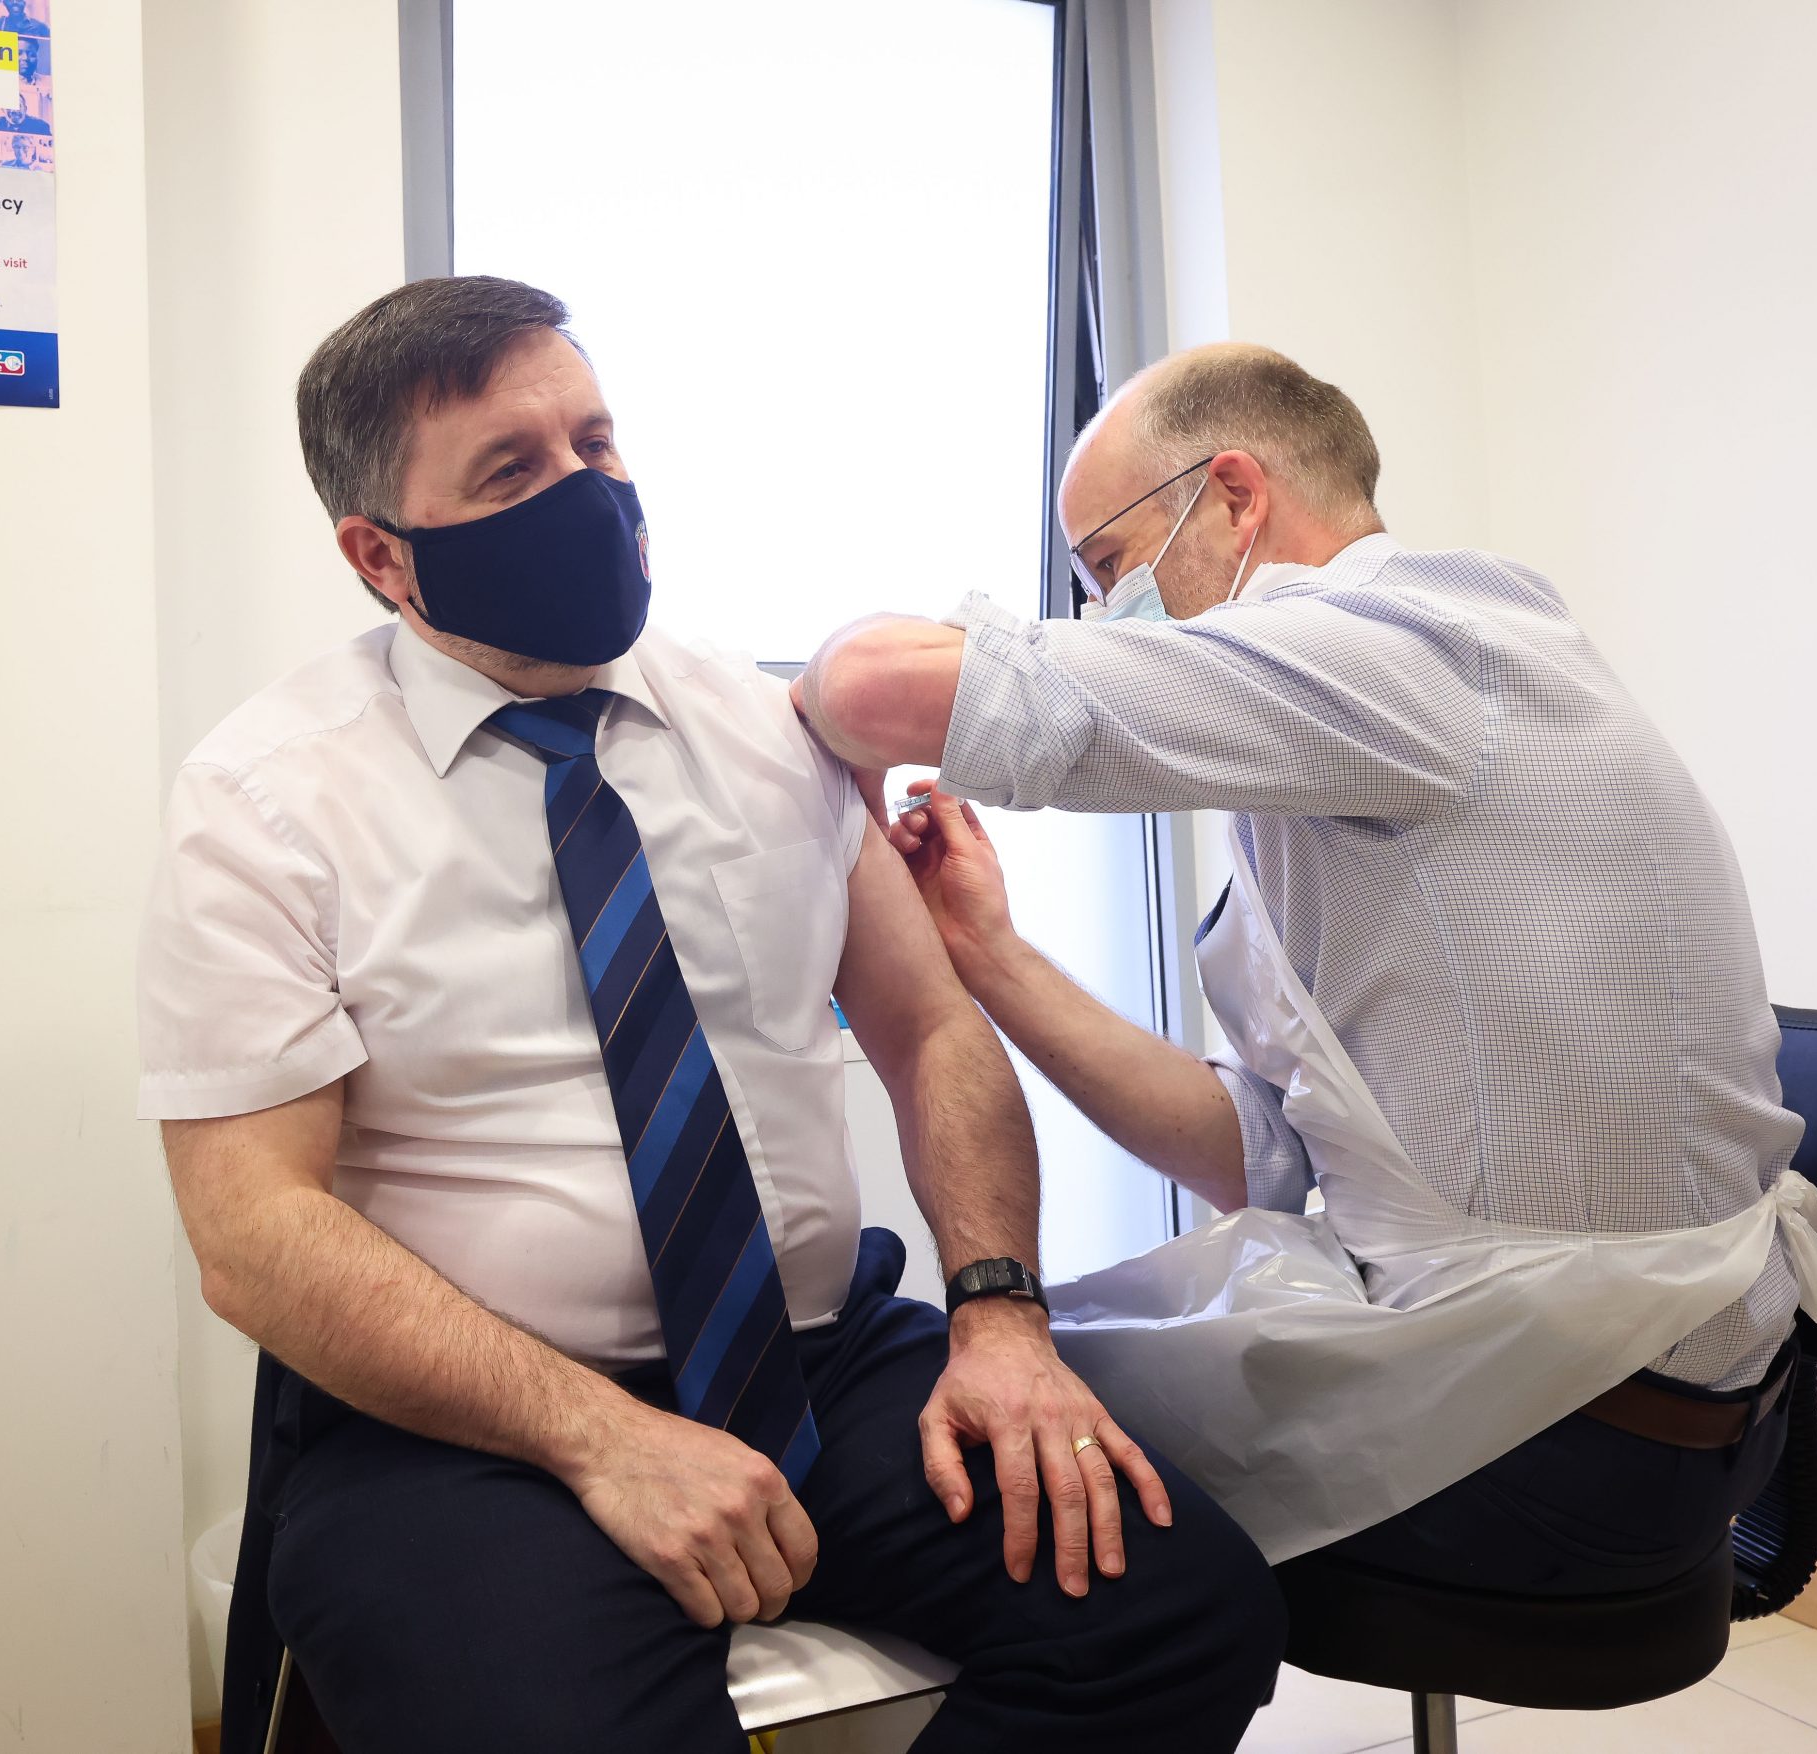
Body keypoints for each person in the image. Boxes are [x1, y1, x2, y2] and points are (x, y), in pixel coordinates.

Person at [136, 279, 1285, 1754]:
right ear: (381, 557)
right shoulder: (266, 802)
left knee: (1178, 1608)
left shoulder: (774, 728)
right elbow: (254, 1232)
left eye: (597, 440)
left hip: (819, 1359)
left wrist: (1001, 1312)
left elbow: (931, 1030)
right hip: (472, 1431)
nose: (589, 491)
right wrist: (597, 1434)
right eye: (513, 470)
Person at [792, 340, 1811, 1596]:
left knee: (943, 1453)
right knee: (969, 1387)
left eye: (1107, 567)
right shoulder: (1349, 742)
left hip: (1585, 1415)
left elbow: (866, 681)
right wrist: (989, 957)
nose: (1107, 613)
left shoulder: (1405, 646)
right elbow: (1265, 1161)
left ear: (1233, 496)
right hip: (1551, 1354)